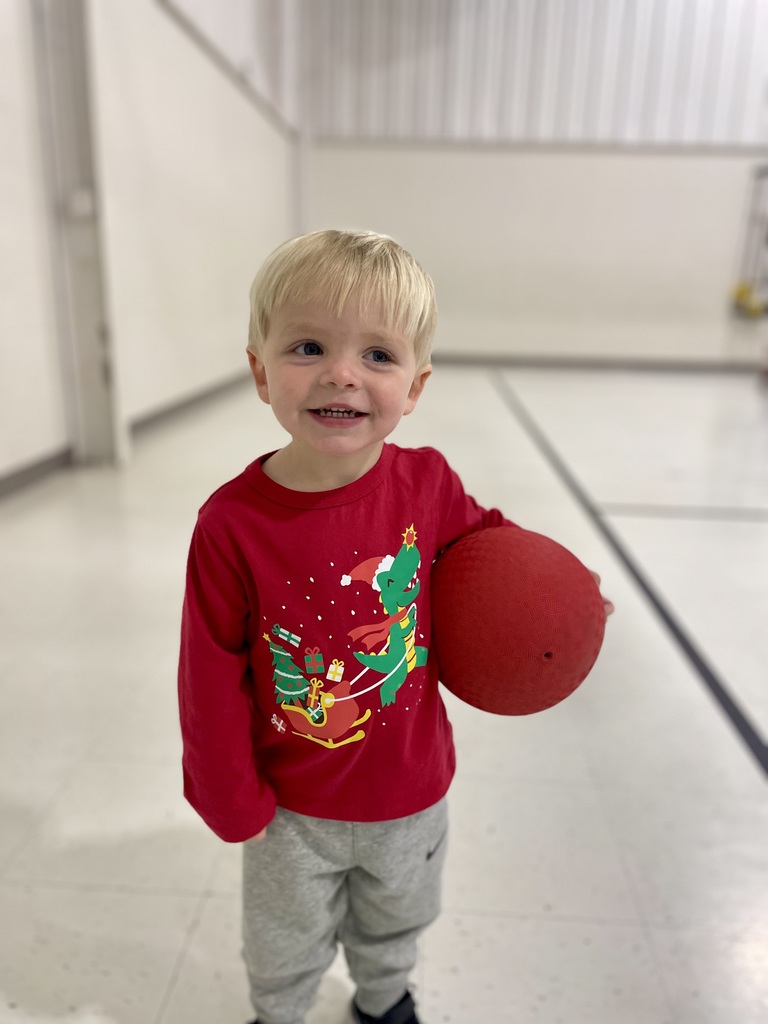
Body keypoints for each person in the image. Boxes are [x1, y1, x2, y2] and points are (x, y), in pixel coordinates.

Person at [177, 229, 612, 1024]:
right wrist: (227, 791)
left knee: (396, 920)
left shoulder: (428, 482)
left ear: (414, 386)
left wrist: (567, 603)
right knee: (281, 938)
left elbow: (491, 552)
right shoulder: (231, 525)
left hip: (410, 792)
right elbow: (207, 671)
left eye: (378, 356)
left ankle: (383, 1001)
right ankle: (280, 1013)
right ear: (258, 370)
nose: (342, 373)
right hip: (291, 805)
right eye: (308, 346)